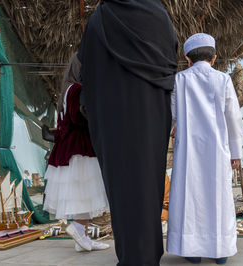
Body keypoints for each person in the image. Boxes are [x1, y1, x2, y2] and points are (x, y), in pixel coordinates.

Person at [77, 0, 178, 265]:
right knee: (147, 183)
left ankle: (132, 256)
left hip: (112, 121)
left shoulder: (99, 19)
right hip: (150, 116)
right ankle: (148, 253)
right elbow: (170, 59)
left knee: (122, 188)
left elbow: (85, 69)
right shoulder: (158, 15)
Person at [167, 33, 243, 264]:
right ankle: (220, 251)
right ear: (214, 58)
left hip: (188, 152)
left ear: (187, 59)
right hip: (218, 152)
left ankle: (192, 251)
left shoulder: (179, 80)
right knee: (218, 198)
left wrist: (169, 132)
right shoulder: (223, 80)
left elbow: (170, 116)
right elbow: (233, 119)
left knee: (190, 199)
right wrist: (236, 152)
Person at [43, 55, 110, 252]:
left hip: (68, 148)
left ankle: (83, 238)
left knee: (82, 194)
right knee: (85, 193)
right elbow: (78, 117)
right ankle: (79, 230)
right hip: (79, 147)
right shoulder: (77, 90)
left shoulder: (68, 89)